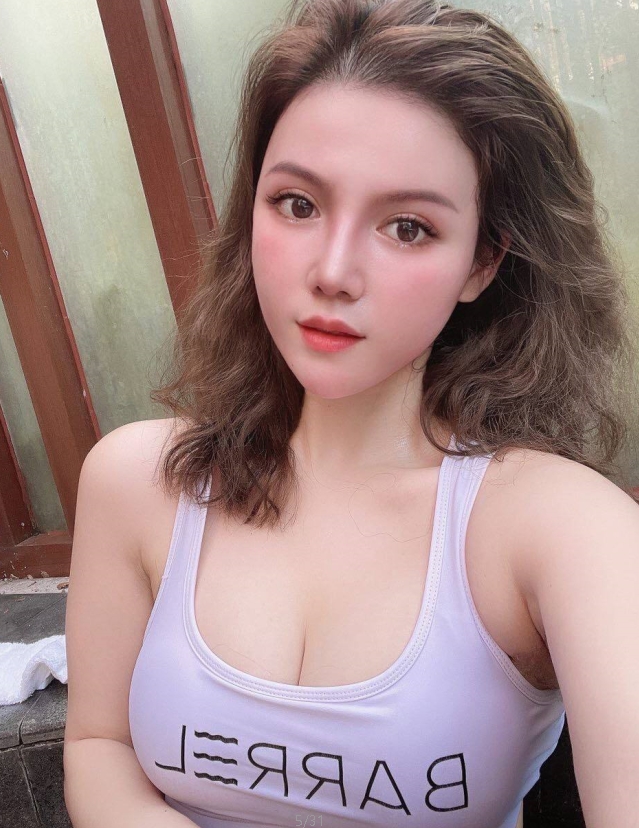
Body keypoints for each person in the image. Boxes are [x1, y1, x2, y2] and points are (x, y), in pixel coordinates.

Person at [63, 0, 639, 826]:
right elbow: (99, 744)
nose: (332, 271)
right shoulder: (137, 482)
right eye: (297, 204)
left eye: (407, 227)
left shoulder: (560, 529)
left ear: (481, 262)